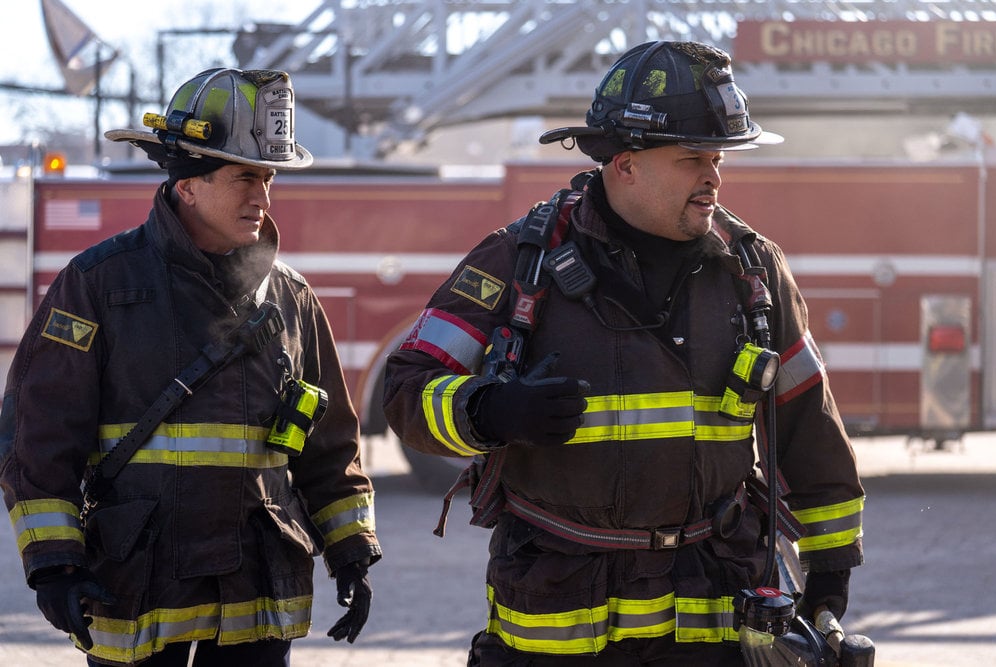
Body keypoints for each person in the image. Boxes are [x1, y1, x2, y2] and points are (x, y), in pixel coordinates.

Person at [382, 41, 864, 665]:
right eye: (693, 159)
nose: (714, 178)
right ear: (626, 164)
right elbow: (406, 388)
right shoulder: (517, 262)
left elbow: (809, 428)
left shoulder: (752, 271)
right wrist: (488, 410)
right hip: (560, 623)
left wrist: (830, 570)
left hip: (710, 617)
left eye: (718, 158)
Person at [0, 68, 381, 666]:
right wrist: (54, 562)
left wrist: (351, 549)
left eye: (268, 179)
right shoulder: (99, 285)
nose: (263, 198)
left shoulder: (291, 298)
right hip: (138, 586)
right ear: (188, 186)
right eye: (244, 178)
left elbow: (330, 443)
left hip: (257, 591)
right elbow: (38, 434)